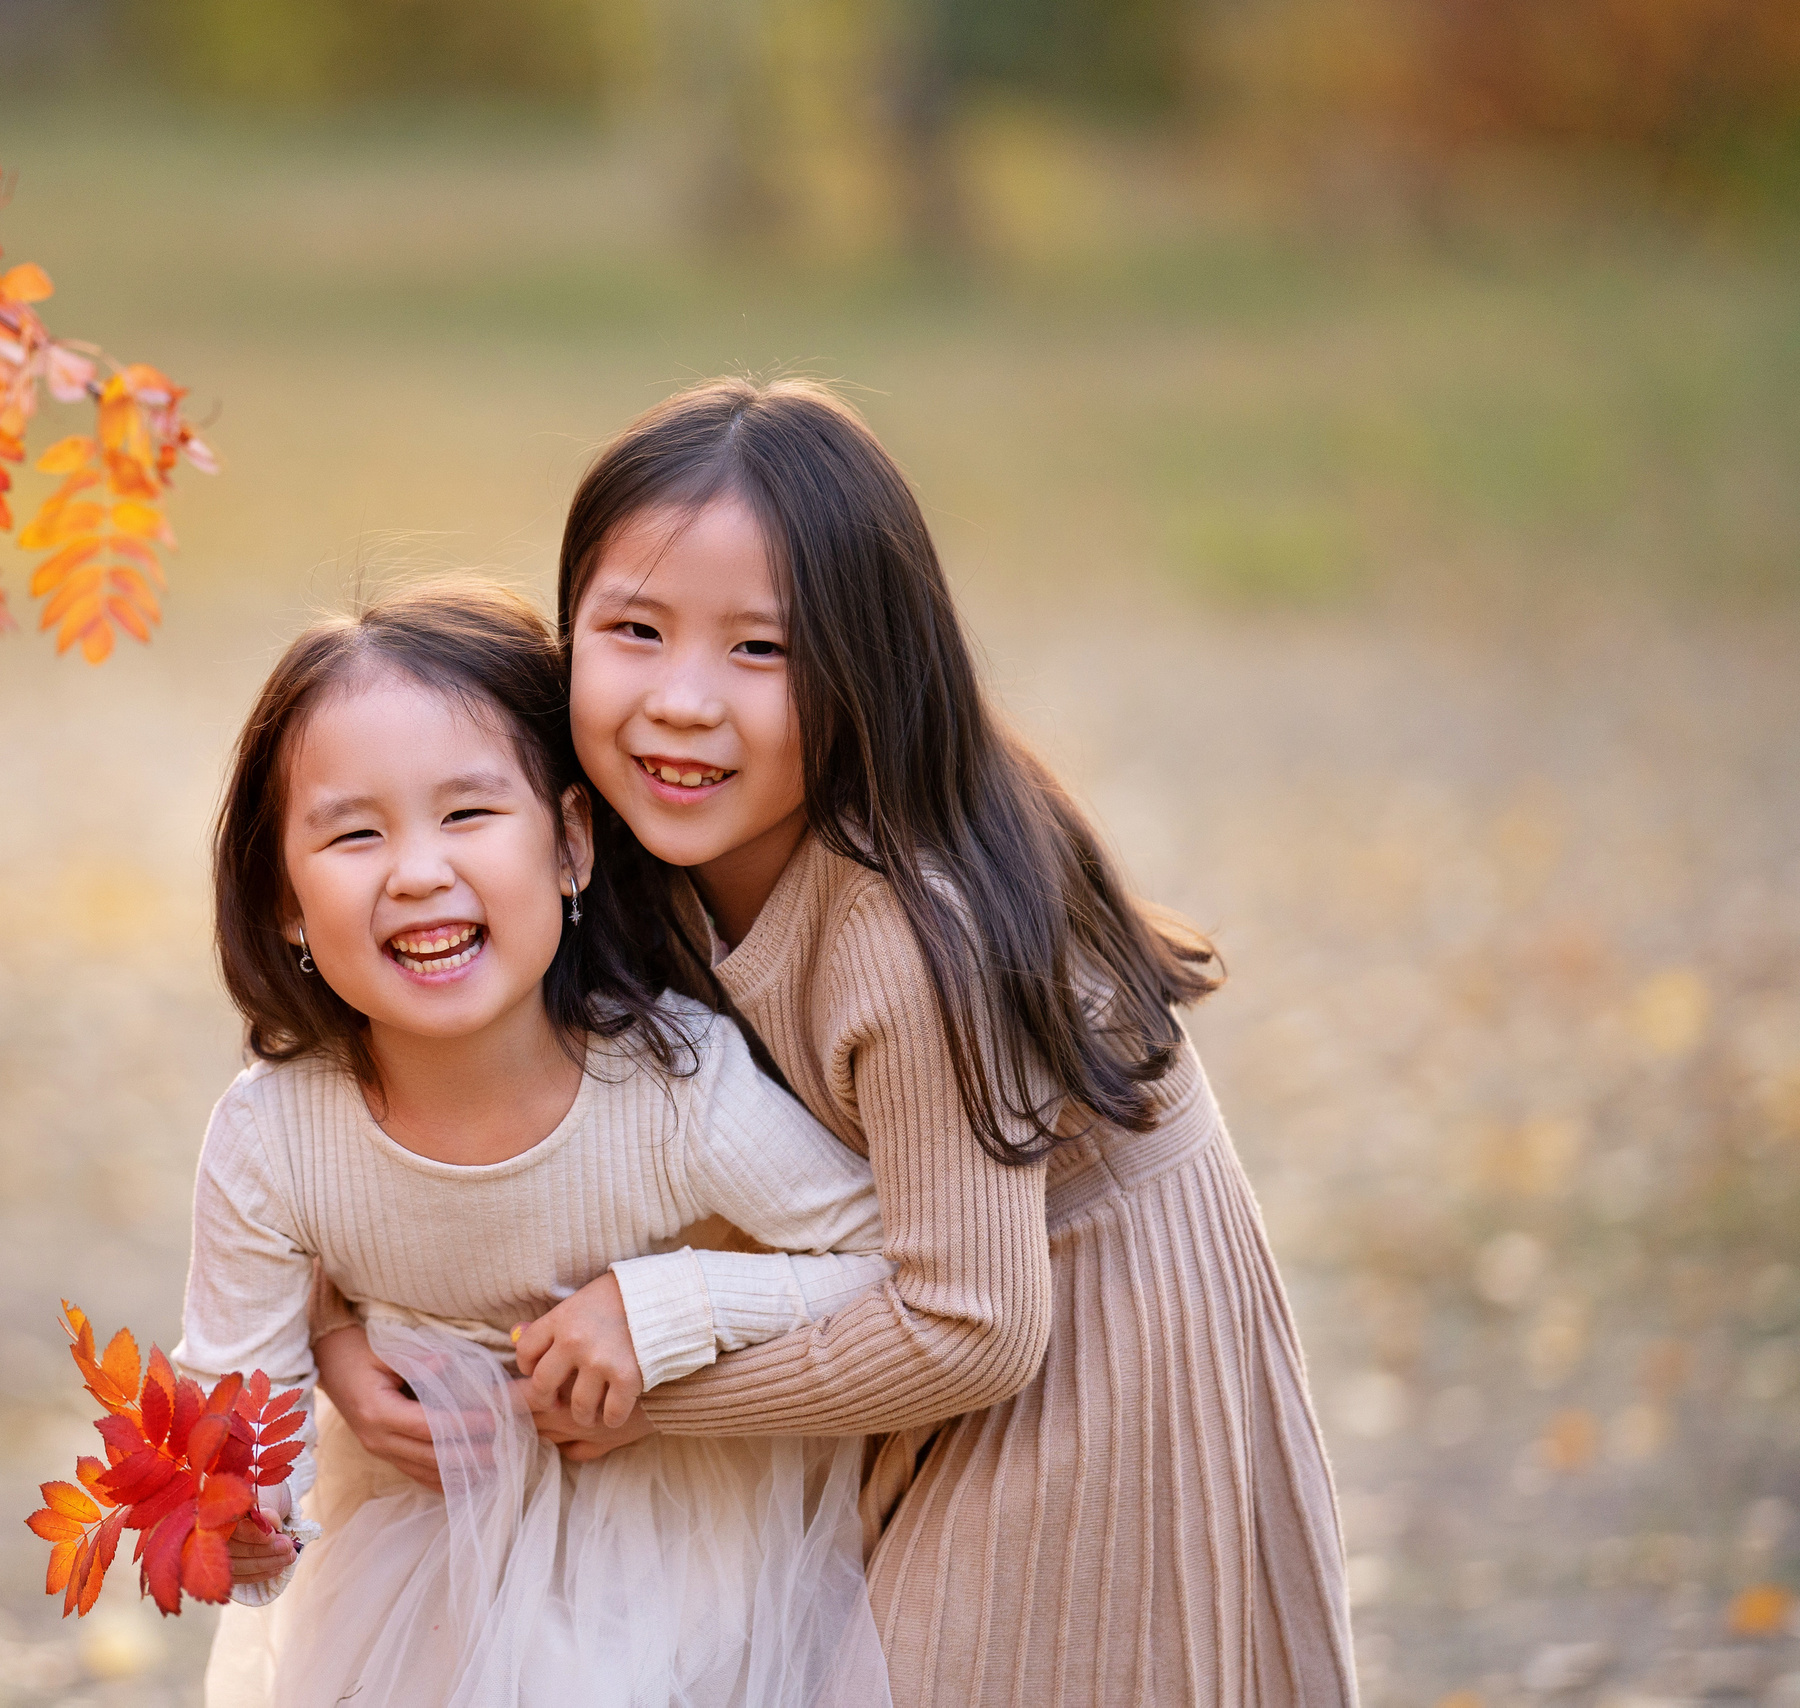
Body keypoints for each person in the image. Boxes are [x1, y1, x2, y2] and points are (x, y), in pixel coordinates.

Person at [314, 381, 1358, 1706]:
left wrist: (639, 1380)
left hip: (1083, 1347)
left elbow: (976, 1328)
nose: (683, 703)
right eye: (635, 630)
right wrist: (341, 1335)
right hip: (882, 1310)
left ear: (871, 666)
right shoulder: (593, 832)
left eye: (762, 651)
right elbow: (372, 1095)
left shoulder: (909, 936)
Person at [175, 581, 899, 1708]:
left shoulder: (673, 1087)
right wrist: (249, 1526)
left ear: (569, 842)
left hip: (681, 1559)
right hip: (422, 1556)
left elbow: (880, 1267)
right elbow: (237, 1396)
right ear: (282, 897)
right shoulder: (274, 1134)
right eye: (355, 833)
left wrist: (665, 1307)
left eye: (466, 814)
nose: (416, 869)